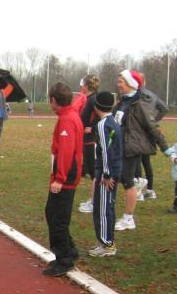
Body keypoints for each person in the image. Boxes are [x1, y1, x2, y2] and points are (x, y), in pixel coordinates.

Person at [113, 70, 172, 231]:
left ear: (130, 84)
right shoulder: (122, 102)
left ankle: (128, 218)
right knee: (118, 178)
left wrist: (167, 150)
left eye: (121, 81)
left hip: (131, 148)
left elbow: (153, 127)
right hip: (119, 147)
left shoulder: (139, 104)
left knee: (127, 181)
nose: (118, 84)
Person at [42, 82, 84, 276]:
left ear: (53, 100)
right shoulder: (69, 115)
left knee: (57, 217)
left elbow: (66, 151)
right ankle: (70, 250)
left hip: (65, 177)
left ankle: (64, 258)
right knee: (55, 213)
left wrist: (59, 178)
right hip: (67, 175)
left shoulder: (67, 119)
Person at [88, 91, 123, 257]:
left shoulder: (103, 125)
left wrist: (107, 174)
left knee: (102, 209)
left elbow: (106, 151)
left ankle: (106, 243)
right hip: (113, 169)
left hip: (106, 173)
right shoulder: (113, 121)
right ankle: (106, 241)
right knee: (107, 206)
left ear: (96, 107)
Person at [134, 73, 168, 201]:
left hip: (138, 130)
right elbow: (164, 108)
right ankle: (150, 190)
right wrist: (154, 120)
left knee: (137, 160)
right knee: (146, 161)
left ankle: (138, 191)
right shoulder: (153, 95)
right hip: (150, 130)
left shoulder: (136, 95)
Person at [78, 75, 101, 214]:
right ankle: (93, 199)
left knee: (94, 172)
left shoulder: (93, 99)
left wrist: (92, 128)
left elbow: (102, 116)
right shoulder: (91, 98)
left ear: (87, 85)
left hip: (91, 139)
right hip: (88, 138)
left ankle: (94, 202)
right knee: (93, 172)